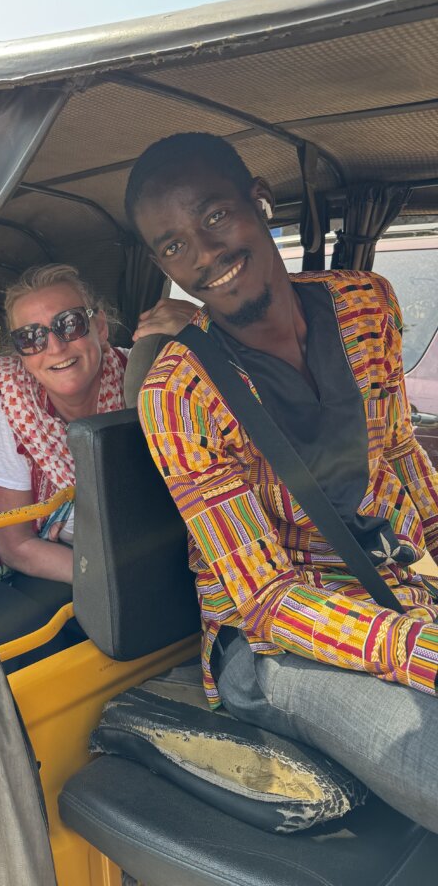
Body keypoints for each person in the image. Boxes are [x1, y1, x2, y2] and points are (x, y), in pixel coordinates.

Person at [125, 131, 438, 832]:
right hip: (269, 650)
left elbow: (399, 454)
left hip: (394, 590)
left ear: (258, 202)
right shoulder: (179, 395)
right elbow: (265, 600)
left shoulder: (365, 306)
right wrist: (417, 648)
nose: (203, 255)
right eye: (173, 246)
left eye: (213, 216)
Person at [0, 263, 195, 599]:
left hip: (170, 547)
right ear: (21, 352)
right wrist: (113, 580)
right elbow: (16, 544)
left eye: (69, 324)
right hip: (72, 561)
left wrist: (205, 332)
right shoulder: (17, 406)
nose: (55, 347)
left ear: (100, 327)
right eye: (31, 337)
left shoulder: (149, 377)